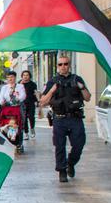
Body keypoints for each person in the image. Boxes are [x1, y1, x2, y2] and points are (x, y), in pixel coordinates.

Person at [39, 54, 91, 183]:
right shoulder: (53, 81)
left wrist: (82, 87)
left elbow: (88, 97)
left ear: (69, 65)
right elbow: (43, 102)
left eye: (65, 64)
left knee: (79, 144)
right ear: (57, 66)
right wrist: (52, 90)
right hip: (59, 118)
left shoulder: (76, 79)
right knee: (59, 146)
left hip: (75, 118)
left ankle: (71, 163)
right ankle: (62, 170)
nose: (63, 67)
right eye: (60, 64)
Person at [20, 69, 38, 139]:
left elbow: (35, 93)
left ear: (29, 76)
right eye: (24, 75)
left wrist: (38, 101)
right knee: (24, 119)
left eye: (27, 75)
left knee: (31, 117)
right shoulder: (20, 84)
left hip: (31, 103)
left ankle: (32, 129)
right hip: (22, 103)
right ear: (22, 76)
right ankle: (26, 133)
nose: (25, 77)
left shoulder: (33, 84)